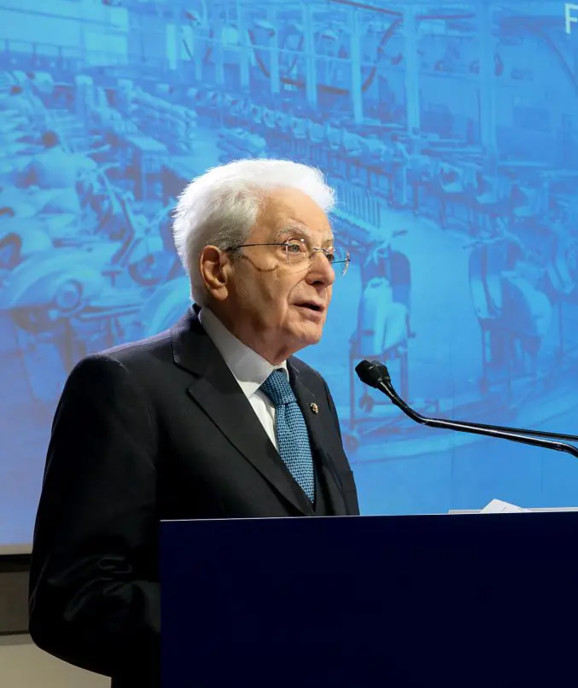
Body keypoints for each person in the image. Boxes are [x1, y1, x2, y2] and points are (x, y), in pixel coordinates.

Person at [28, 159, 360, 687]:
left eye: (328, 251)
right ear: (216, 270)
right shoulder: (124, 386)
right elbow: (73, 598)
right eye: (294, 248)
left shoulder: (312, 389)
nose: (325, 273)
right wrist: (255, 628)